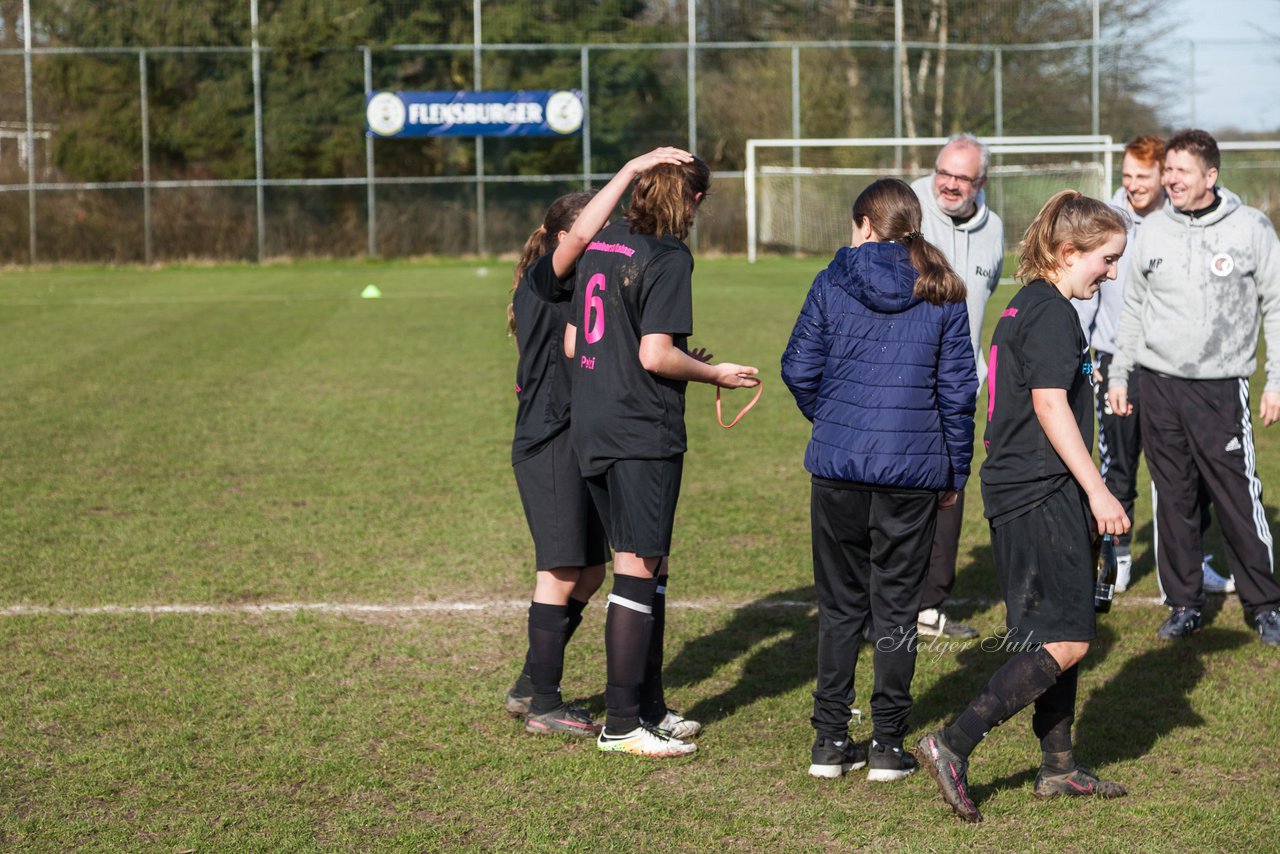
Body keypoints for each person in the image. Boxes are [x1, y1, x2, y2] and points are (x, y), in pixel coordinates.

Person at [918, 190, 1131, 823]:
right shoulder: (1049, 313)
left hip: (1028, 486)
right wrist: (1097, 489)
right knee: (1066, 638)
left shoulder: (1030, 306)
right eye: (1107, 259)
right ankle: (952, 744)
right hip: (1039, 490)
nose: (1112, 272)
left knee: (1057, 629)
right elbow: (1048, 404)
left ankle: (1058, 768)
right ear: (1070, 252)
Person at [564, 154, 761, 757]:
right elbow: (655, 356)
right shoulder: (670, 255)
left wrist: (664, 353)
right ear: (694, 200)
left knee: (650, 566)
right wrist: (712, 372)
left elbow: (576, 341)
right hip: (639, 431)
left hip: (593, 423)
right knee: (638, 568)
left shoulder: (603, 240)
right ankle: (622, 723)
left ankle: (649, 707)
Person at [781, 178, 976, 783]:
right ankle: (886, 746)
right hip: (911, 471)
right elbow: (959, 393)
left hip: (844, 469)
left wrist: (837, 420)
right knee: (895, 611)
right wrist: (955, 469)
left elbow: (797, 368)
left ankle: (830, 742)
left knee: (840, 610)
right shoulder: (942, 288)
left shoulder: (834, 280)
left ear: (866, 224)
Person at [504, 147, 697, 737]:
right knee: (563, 572)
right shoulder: (555, 283)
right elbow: (572, 349)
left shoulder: (577, 274)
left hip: (577, 429)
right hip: (554, 436)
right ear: (569, 236)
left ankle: (533, 682)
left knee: (589, 574)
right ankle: (543, 699)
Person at [1107, 129, 1280, 645]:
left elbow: (1276, 304)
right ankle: (1184, 602)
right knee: (1173, 497)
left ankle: (1266, 605)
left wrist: (1277, 380)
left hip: (1221, 387)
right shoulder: (1152, 231)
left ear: (1211, 176)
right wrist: (1120, 373)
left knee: (1236, 497)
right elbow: (1133, 307)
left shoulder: (1250, 228)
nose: (1170, 179)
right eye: (1169, 170)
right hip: (1158, 385)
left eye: (1182, 171)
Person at [1074, 135, 1225, 595]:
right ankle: (1116, 558)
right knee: (1118, 465)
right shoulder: (1103, 218)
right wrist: (1086, 361)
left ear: (1165, 175)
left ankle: (1190, 562)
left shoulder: (1181, 218)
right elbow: (1085, 294)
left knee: (1186, 471)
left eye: (1143, 176)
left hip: (1172, 367)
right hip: (1112, 362)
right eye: (1127, 177)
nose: (1134, 186)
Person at [910, 133, 1005, 639]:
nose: (947, 183)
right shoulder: (908, 208)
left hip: (960, 386)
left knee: (950, 492)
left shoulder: (996, 232)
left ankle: (928, 608)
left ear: (981, 182)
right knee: (891, 494)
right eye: (942, 171)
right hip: (902, 382)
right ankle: (873, 605)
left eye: (961, 176)